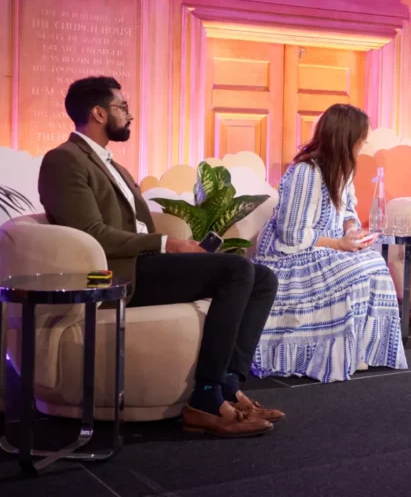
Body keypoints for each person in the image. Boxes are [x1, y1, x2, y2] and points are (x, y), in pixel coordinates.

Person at [38, 77, 280, 437]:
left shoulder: (113, 165)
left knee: (263, 278)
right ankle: (206, 397)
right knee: (235, 270)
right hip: (116, 274)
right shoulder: (64, 160)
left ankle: (229, 384)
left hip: (145, 263)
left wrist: (177, 246)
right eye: (122, 107)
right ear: (99, 113)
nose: (130, 114)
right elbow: (91, 233)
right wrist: (168, 244)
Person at [252, 104, 407, 382]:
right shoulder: (305, 172)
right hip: (289, 257)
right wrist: (338, 245)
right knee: (356, 270)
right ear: (345, 138)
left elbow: (347, 210)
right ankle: (336, 352)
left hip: (327, 247)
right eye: (361, 138)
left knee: (374, 262)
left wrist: (351, 231)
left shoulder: (343, 170)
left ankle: (363, 349)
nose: (364, 144)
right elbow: (292, 236)